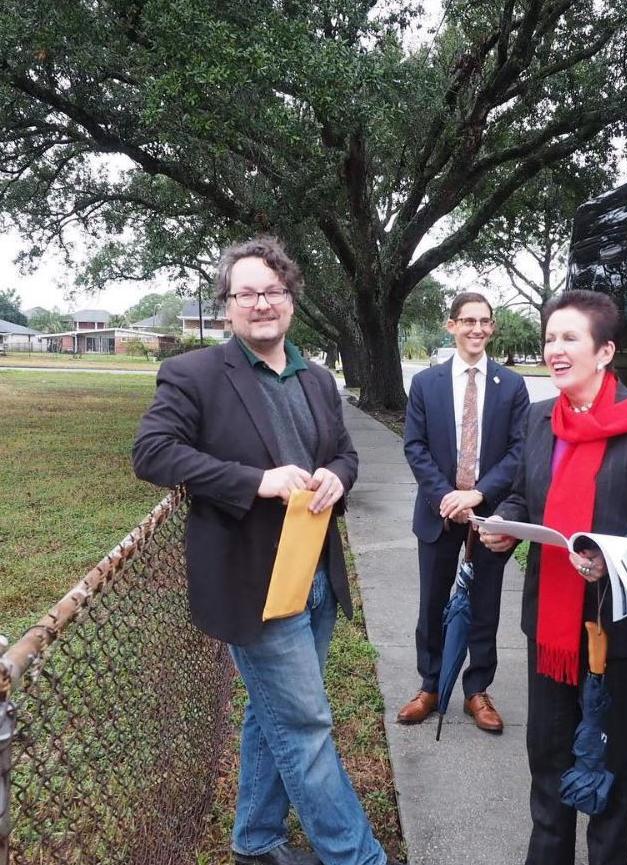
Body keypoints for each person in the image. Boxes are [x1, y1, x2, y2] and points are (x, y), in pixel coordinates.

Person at [133, 236, 396, 865]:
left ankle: (255, 841)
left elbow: (345, 453)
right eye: (245, 292)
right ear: (227, 304)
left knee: (271, 717)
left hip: (316, 579)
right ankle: (356, 856)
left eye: (273, 291)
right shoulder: (194, 373)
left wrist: (338, 474)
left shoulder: (317, 378)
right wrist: (255, 481)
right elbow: (152, 453)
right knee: (306, 728)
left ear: (290, 300)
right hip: (253, 586)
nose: (260, 303)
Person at [479, 289, 627, 865]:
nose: (555, 348)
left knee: (608, 772)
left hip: (616, 633)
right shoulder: (539, 419)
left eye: (569, 338)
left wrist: (610, 557)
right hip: (549, 628)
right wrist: (507, 527)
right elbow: (527, 498)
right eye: (550, 337)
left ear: (604, 352)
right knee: (547, 762)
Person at [397, 292, 529, 732]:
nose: (476, 329)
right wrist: (446, 496)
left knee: (485, 604)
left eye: (484, 322)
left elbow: (519, 450)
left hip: (489, 514)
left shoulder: (511, 385)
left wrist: (478, 495)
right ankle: (430, 685)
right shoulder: (426, 384)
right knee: (432, 602)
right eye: (467, 321)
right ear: (451, 325)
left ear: (492, 328)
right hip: (438, 512)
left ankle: (477, 689)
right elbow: (414, 447)